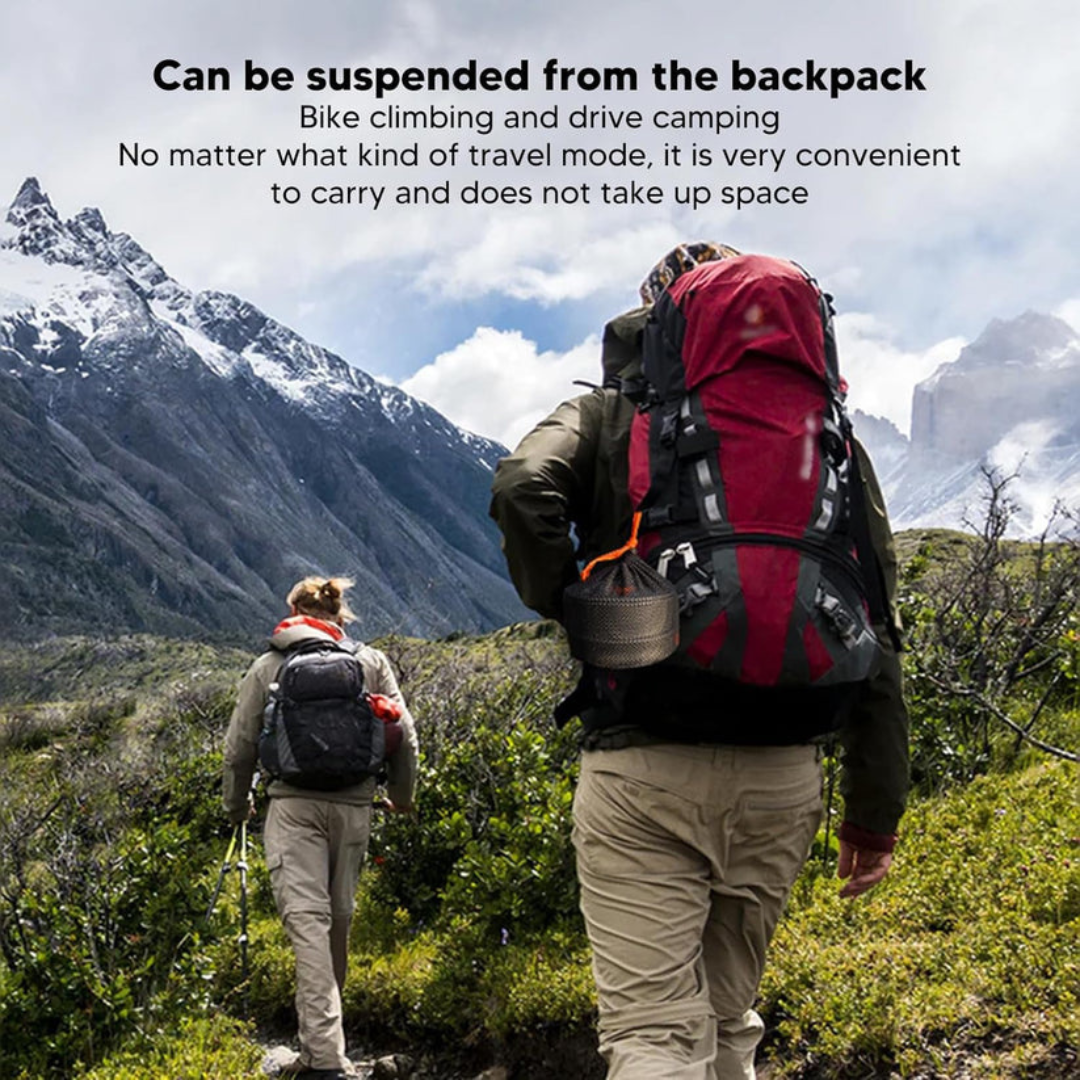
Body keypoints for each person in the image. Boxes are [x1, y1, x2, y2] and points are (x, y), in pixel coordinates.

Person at [489, 244, 909, 1080]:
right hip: (785, 777)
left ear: (662, 319)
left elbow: (521, 488)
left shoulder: (615, 414)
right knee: (727, 1018)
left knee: (653, 1032)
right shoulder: (829, 439)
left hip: (645, 762)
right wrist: (874, 811)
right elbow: (875, 616)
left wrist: (581, 609)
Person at [223, 577, 418, 1080]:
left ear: (292, 612)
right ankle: (324, 1046)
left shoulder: (269, 665)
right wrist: (400, 798)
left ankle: (325, 1059)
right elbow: (406, 735)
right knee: (337, 921)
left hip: (292, 809)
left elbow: (239, 746)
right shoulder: (370, 662)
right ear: (340, 615)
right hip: (354, 808)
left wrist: (237, 805)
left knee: (307, 924)